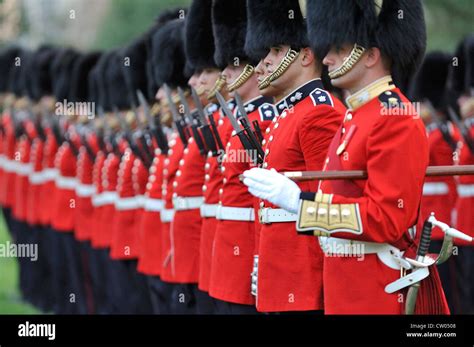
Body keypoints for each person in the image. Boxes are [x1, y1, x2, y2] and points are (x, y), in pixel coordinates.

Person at [244, 0, 449, 314]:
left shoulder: (395, 117)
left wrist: (301, 203)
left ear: (370, 54)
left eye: (338, 48)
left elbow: (385, 219)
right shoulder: (358, 116)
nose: (326, 58)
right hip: (346, 288)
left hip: (375, 290)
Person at [242, 0, 345, 313]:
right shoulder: (288, 115)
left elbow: (328, 207)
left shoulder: (319, 112)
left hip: (303, 279)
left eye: (274, 51)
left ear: (305, 55)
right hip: (279, 273)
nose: (264, 62)